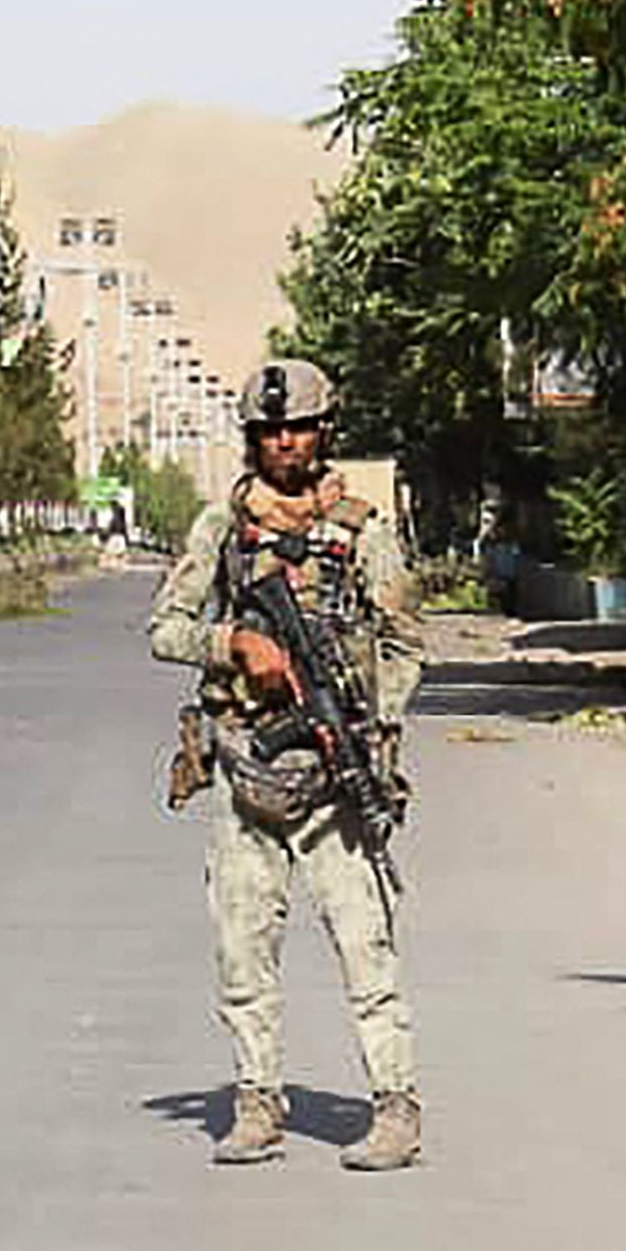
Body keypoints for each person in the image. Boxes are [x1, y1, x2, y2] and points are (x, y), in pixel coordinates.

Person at [147, 357, 426, 1171]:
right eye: (269, 430)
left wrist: (373, 725)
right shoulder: (220, 529)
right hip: (246, 765)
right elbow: (165, 628)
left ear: (322, 431)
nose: (284, 442)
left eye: (298, 427)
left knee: (366, 947)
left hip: (334, 777)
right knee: (242, 948)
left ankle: (394, 1105)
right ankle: (257, 1101)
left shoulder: (362, 531)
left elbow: (405, 642)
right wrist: (233, 642)